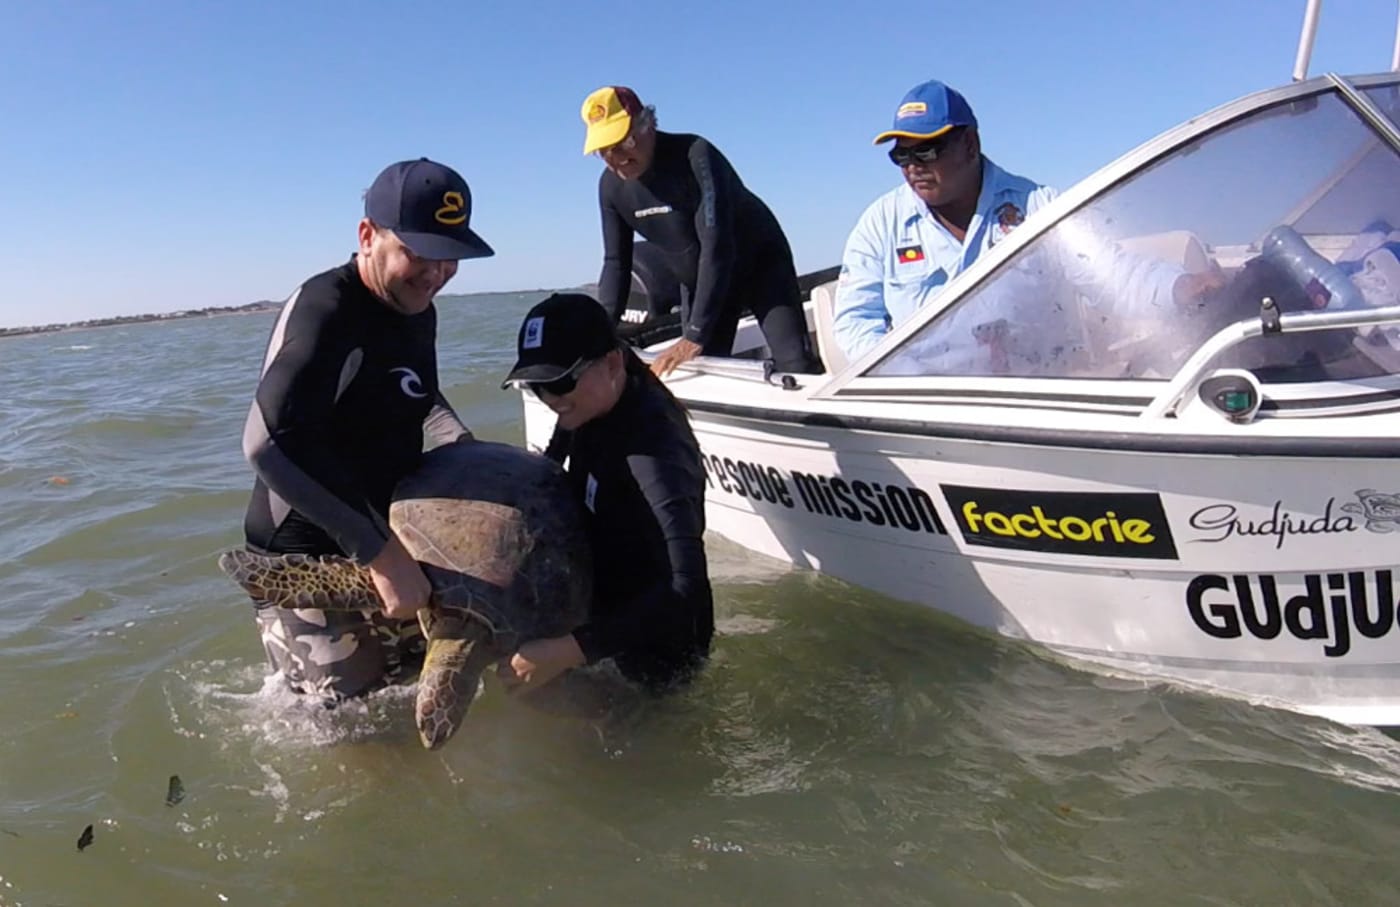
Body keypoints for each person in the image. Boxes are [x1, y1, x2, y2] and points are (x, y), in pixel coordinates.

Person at [236, 157, 494, 703]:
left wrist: (465, 447)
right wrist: (381, 554)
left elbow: (416, 394)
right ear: (367, 235)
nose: (436, 273)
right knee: (350, 740)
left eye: (450, 257)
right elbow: (266, 441)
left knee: (409, 706)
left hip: (383, 539)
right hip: (307, 555)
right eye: (419, 253)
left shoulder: (417, 307)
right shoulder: (326, 309)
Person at [833, 79, 1224, 363]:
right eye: (902, 157)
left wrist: (1183, 286)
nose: (913, 168)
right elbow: (856, 322)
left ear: (970, 144)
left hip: (1033, 402)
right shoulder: (879, 225)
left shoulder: (1039, 206)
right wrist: (909, 389)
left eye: (927, 151)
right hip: (930, 414)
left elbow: (1113, 275)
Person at [496, 293, 714, 695]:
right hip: (600, 616)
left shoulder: (654, 456)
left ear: (612, 362)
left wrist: (568, 651)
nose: (550, 399)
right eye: (536, 385)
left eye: (559, 381)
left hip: (652, 657)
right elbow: (546, 476)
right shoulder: (584, 408)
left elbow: (685, 591)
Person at [581, 85, 823, 377]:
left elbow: (717, 245)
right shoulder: (610, 187)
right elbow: (617, 263)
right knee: (696, 375)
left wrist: (694, 336)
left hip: (760, 267)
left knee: (796, 370)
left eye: (624, 142)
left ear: (649, 125)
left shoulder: (695, 155)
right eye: (604, 150)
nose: (616, 157)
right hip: (701, 282)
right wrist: (599, 336)